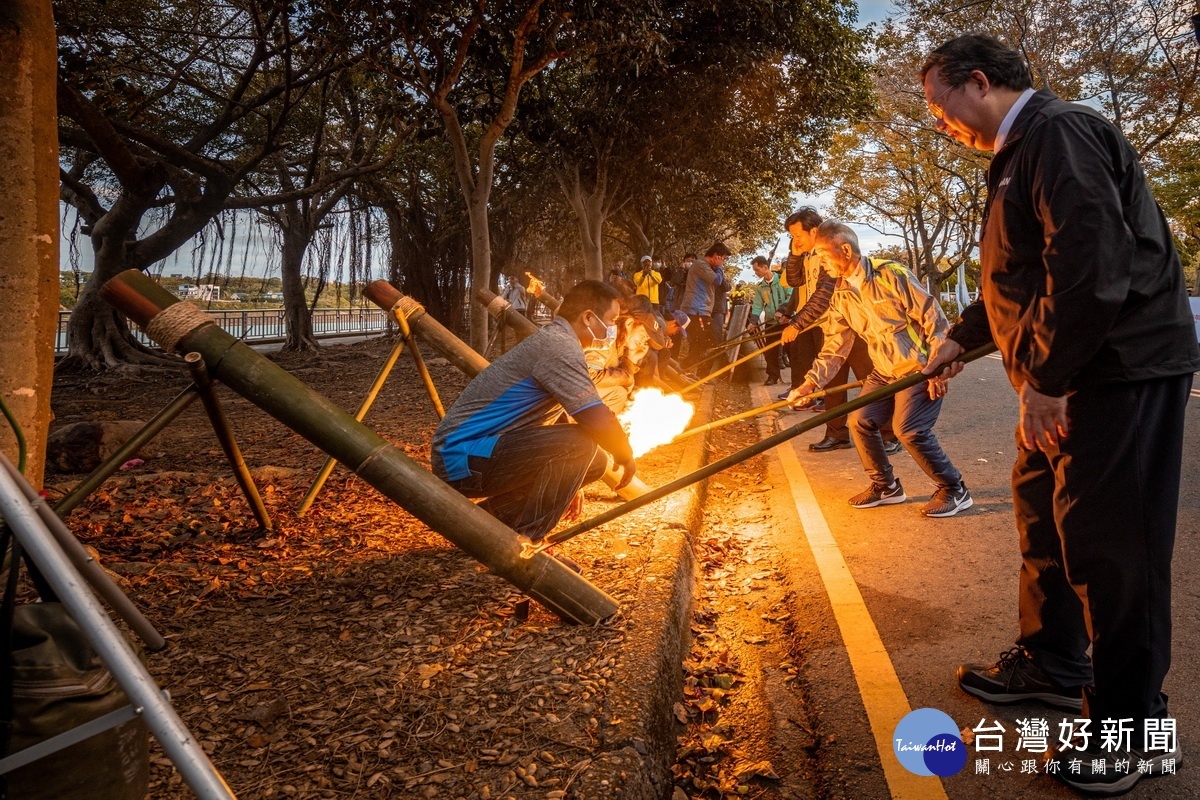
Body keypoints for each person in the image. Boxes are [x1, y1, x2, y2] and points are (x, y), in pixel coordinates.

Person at [920, 34, 1198, 793]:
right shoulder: (1016, 158)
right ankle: (1052, 660)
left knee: (1114, 546)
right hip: (1066, 375)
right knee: (1045, 513)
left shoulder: (1060, 133)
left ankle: (1132, 731)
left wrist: (1045, 377)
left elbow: (1091, 262)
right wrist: (960, 337)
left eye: (939, 103)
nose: (937, 120)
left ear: (978, 83)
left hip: (1114, 371)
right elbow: (1023, 272)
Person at [431, 280, 637, 550]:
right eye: (611, 320)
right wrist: (625, 454)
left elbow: (562, 416)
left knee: (595, 460)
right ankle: (529, 544)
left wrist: (572, 481)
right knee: (581, 444)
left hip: (483, 452)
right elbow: (595, 417)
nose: (613, 330)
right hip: (461, 456)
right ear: (588, 317)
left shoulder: (559, 342)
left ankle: (488, 522)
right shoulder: (559, 347)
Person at [789, 221, 970, 518]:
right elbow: (835, 346)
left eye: (823, 254)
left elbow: (934, 319)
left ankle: (954, 488)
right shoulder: (841, 293)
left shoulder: (892, 274)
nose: (820, 262)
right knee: (860, 421)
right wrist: (810, 384)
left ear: (845, 250)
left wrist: (939, 365)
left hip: (918, 367)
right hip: (884, 371)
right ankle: (886, 486)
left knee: (908, 430)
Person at [679, 243, 731, 375]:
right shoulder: (701, 265)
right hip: (696, 311)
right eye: (723, 258)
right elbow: (717, 281)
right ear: (716, 256)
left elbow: (724, 284)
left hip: (701, 310)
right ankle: (684, 370)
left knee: (703, 343)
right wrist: (719, 267)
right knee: (704, 344)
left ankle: (695, 373)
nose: (723, 262)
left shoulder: (706, 266)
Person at [747, 255, 790, 386]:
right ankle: (773, 376)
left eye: (757, 270)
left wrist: (783, 311)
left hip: (787, 322)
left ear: (765, 267)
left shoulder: (783, 280)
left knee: (792, 351)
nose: (756, 273)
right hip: (771, 323)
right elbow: (757, 306)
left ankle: (799, 380)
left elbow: (791, 296)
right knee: (770, 352)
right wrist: (753, 322)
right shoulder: (760, 287)